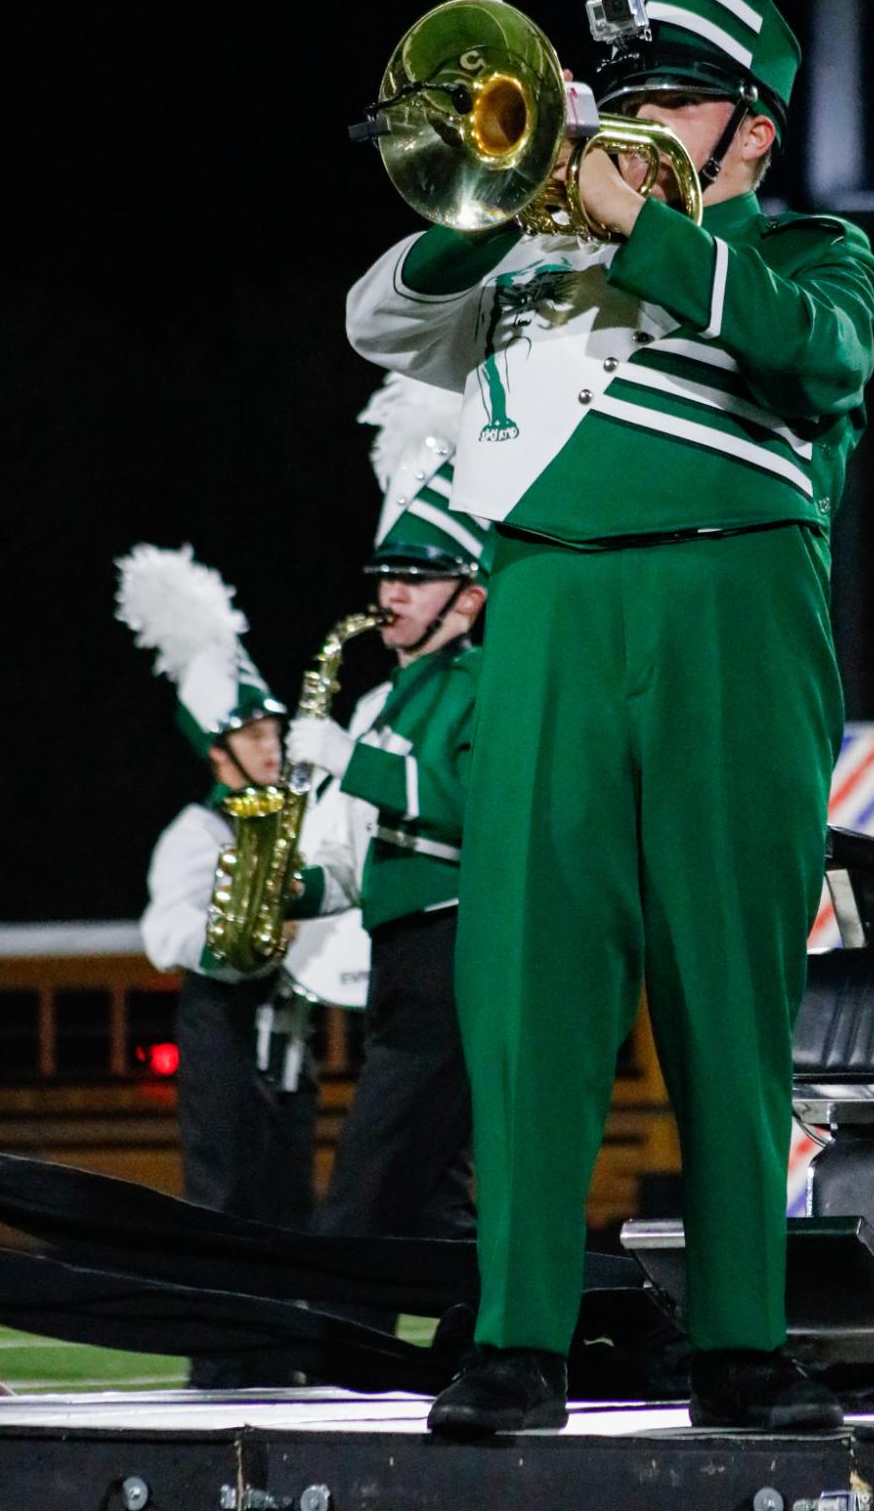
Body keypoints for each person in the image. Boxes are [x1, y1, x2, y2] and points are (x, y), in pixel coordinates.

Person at [346, 0, 874, 1434]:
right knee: (524, 980)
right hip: (557, 610)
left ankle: (739, 1338)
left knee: (727, 990)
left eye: (674, 96)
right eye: (626, 92)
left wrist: (642, 218)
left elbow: (812, 362)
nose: (636, 118)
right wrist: (505, 204)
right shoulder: (530, 269)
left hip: (733, 610)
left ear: (749, 126)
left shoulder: (807, 251)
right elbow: (371, 319)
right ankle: (513, 1337)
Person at [285, 374, 490, 1327]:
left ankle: (330, 1345)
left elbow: (469, 807)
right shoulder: (376, 703)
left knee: (364, 1188)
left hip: (460, 955)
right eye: (386, 572)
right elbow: (357, 855)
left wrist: (347, 760)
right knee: (438, 1199)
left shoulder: (487, 681)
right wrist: (288, 884)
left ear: (471, 593)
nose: (393, 590)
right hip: (398, 959)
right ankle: (510, 1333)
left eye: (418, 574)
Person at [117, 543, 318, 1388]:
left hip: (290, 1040)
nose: (271, 746)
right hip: (224, 1031)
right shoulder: (196, 834)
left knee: (285, 1205)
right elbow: (165, 932)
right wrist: (240, 941)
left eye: (274, 730)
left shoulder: (294, 822)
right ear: (217, 752)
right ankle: (219, 1361)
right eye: (252, 734)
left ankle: (281, 1354)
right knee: (224, 1198)